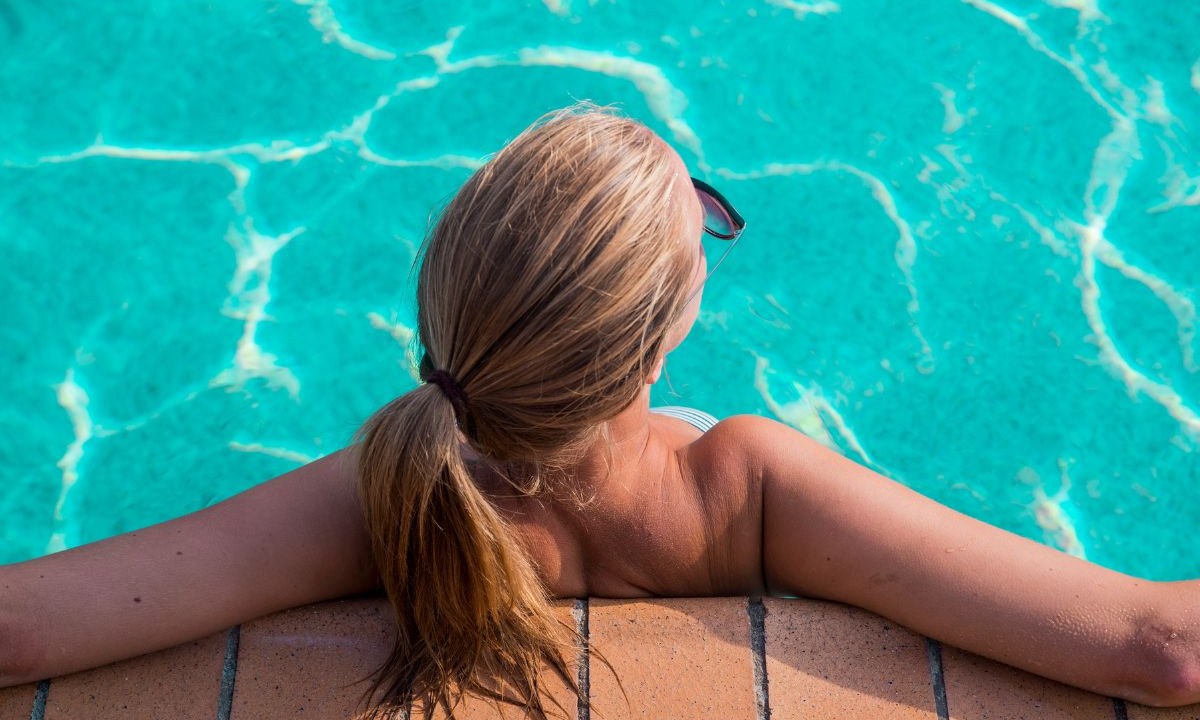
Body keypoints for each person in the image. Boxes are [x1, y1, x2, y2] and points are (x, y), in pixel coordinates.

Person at [0, 104, 1197, 719]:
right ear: (660, 347)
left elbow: (24, 635)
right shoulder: (743, 482)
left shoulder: (377, 490)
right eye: (706, 225)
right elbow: (1161, 651)